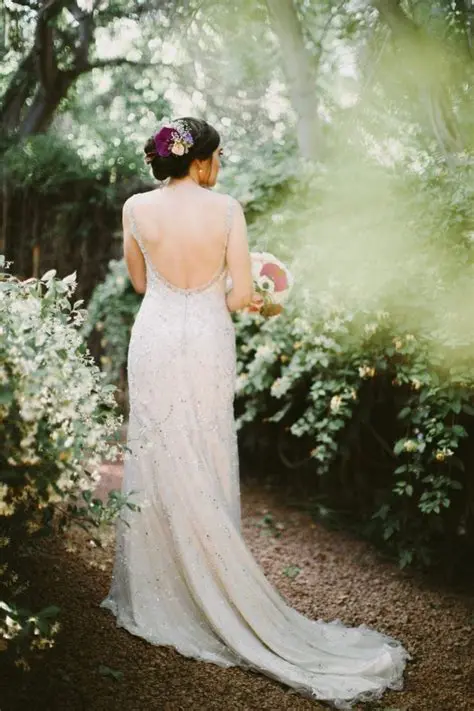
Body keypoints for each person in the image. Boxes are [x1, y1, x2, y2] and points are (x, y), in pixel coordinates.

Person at [100, 117, 409, 708]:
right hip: (206, 338)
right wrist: (258, 294)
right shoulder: (226, 210)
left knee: (158, 447)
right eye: (218, 156)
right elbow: (240, 296)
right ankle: (213, 579)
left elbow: (139, 283)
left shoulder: (135, 207)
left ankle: (164, 587)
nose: (220, 165)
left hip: (155, 338)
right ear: (199, 160)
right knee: (205, 443)